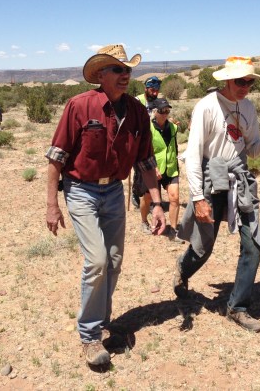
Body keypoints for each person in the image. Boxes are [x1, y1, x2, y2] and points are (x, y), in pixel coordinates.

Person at [45, 44, 167, 367]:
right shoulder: (80, 106)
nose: (125, 75)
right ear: (101, 75)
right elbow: (56, 157)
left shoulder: (139, 112)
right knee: (97, 259)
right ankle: (89, 335)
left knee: (114, 260)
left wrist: (157, 204)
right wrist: (51, 204)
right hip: (81, 190)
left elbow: (146, 163)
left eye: (128, 70)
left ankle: (101, 320)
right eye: (118, 70)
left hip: (114, 191)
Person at [172, 56, 260, 333]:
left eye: (250, 81)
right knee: (203, 247)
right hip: (211, 179)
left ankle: (237, 307)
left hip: (240, 180)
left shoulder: (247, 107)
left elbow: (253, 150)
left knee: (254, 245)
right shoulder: (206, 107)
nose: (245, 86)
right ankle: (183, 269)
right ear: (226, 80)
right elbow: (194, 155)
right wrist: (198, 198)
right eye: (240, 81)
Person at [140, 98, 182, 242]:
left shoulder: (173, 128)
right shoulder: (148, 128)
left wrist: (177, 161)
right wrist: (154, 167)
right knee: (148, 197)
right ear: (155, 112)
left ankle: (173, 230)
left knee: (174, 198)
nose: (165, 114)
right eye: (162, 111)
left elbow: (174, 147)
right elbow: (145, 150)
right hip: (153, 169)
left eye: (167, 111)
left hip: (171, 168)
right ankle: (144, 221)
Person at [132, 76, 163, 207]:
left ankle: (150, 200)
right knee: (140, 172)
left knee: (151, 171)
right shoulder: (137, 101)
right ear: (146, 88)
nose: (155, 93)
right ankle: (136, 192)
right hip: (139, 143)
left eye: (157, 90)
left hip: (154, 142)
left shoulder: (157, 102)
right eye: (152, 90)